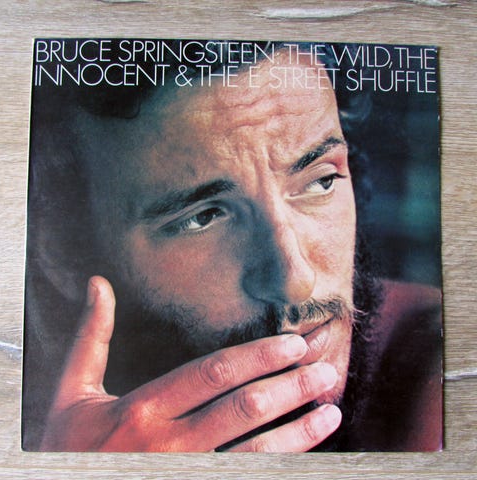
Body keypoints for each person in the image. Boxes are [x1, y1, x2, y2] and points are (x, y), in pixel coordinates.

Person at [23, 41, 442, 452]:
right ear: (63, 252)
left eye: (320, 181)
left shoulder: (447, 385)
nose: (295, 280)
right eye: (203, 217)